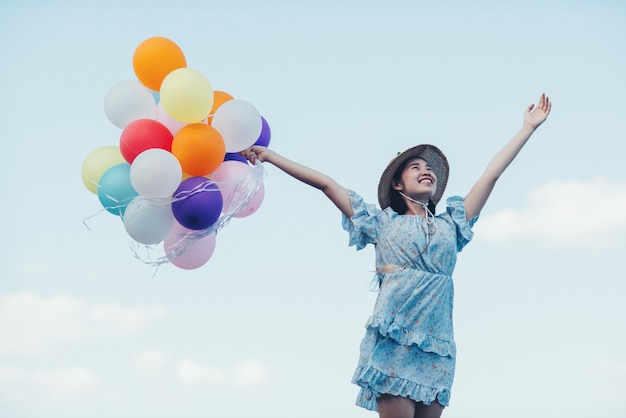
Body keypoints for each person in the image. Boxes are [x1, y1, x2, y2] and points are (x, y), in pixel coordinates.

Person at [241, 93, 551, 418]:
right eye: (415, 167)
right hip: (396, 341)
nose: (426, 169)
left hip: (437, 348)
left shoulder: (452, 225)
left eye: (428, 167)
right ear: (399, 185)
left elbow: (491, 175)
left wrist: (527, 128)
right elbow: (326, 185)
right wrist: (272, 156)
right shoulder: (381, 222)